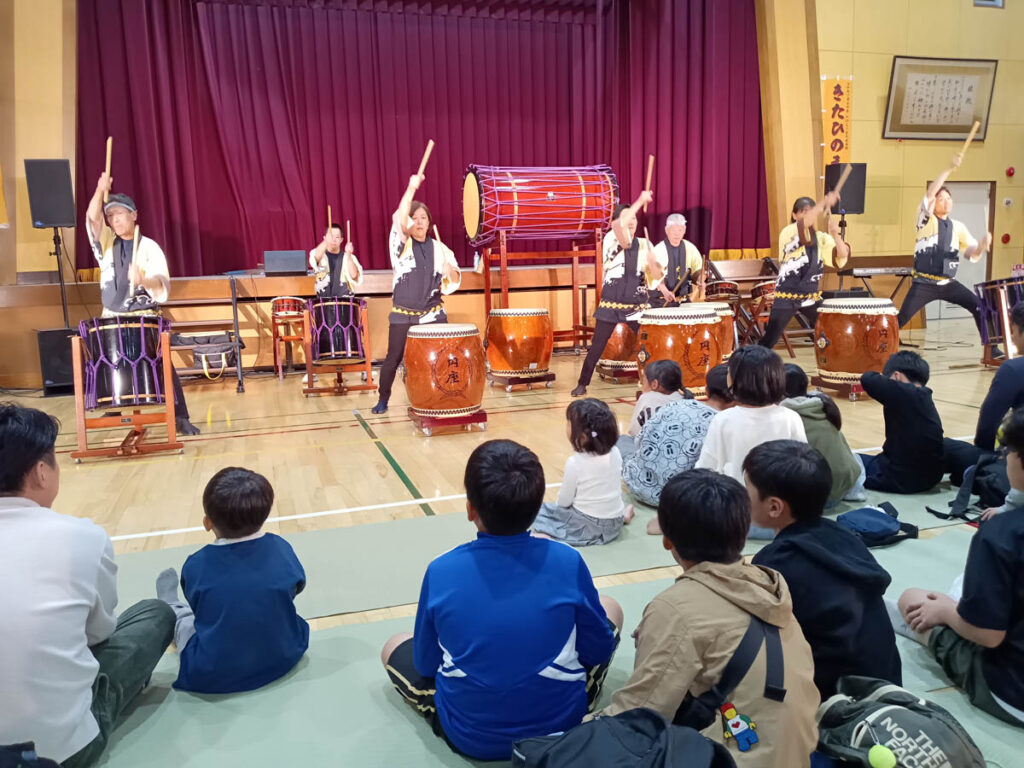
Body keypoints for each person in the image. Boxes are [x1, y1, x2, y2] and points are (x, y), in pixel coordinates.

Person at [380, 440, 622, 760]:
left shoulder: (441, 570)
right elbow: (598, 650)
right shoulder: (567, 561)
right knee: (611, 607)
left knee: (394, 643)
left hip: (471, 737)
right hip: (563, 728)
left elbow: (427, 665)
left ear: (470, 509)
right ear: (537, 509)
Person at [598, 469, 820, 766]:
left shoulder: (675, 609)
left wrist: (571, 735)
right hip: (800, 754)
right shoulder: (769, 587)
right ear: (743, 534)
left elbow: (637, 718)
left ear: (667, 541)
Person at [0, 403, 175, 767]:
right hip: (59, 752)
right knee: (155, 615)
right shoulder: (81, 537)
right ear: (41, 472)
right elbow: (98, 635)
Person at [889, 407, 1024, 726]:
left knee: (914, 598)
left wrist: (947, 612)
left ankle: (920, 622)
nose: (1004, 460)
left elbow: (989, 636)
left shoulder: (1001, 535)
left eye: (1009, 452)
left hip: (1011, 693)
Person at [745, 440, 902, 699]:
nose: (743, 496)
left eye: (747, 489)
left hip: (836, 699)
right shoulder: (845, 535)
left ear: (774, 507)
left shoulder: (775, 563)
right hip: (887, 683)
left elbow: (755, 641)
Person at [154, 467, 308, 694]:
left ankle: (171, 607)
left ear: (207, 523)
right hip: (286, 654)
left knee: (186, 621)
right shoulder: (281, 548)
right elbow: (297, 586)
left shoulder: (197, 564)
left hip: (213, 671)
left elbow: (200, 609)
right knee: (278, 609)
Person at [85, 173, 200, 435]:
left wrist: (144, 279)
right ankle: (113, 405)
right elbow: (92, 219)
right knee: (110, 361)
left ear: (134, 215)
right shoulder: (106, 243)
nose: (115, 220)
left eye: (121, 214)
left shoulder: (149, 248)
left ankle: (179, 416)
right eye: (111, 216)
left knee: (161, 363)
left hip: (143, 316)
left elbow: (162, 286)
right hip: (112, 314)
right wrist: (99, 188)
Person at [371, 173, 461, 414]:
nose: (419, 221)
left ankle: (443, 395)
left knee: (444, 356)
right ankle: (383, 398)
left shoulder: (441, 249)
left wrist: (449, 271)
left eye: (424, 217)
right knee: (393, 358)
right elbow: (400, 220)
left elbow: (453, 284)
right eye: (415, 217)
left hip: (432, 314)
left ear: (430, 222)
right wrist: (411, 188)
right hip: (404, 315)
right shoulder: (401, 245)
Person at [696, 346, 806, 538]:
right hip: (783, 520)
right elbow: (803, 471)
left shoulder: (724, 419)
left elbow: (705, 470)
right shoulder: (791, 417)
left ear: (735, 380)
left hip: (737, 519)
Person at [897, 154, 993, 346]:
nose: (945, 201)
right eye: (941, 198)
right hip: (924, 283)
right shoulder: (925, 220)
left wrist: (981, 246)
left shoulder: (958, 227)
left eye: (948, 198)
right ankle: (880, 349)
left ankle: (992, 348)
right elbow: (930, 194)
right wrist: (949, 169)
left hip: (949, 284)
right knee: (900, 319)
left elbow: (970, 253)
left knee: (980, 307)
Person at [571, 191, 659, 397]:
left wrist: (654, 266)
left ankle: (653, 383)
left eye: (634, 218)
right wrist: (640, 201)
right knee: (597, 346)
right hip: (612, 303)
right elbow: (621, 227)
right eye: (628, 218)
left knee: (649, 344)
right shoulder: (611, 238)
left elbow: (654, 276)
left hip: (637, 304)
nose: (632, 223)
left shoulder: (645, 244)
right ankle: (583, 383)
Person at [625, 364, 729, 532]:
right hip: (678, 498)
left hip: (638, 485)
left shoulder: (677, 405)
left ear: (706, 390)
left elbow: (639, 440)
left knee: (623, 442)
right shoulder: (722, 422)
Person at [533, 398, 634, 546]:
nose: (566, 426)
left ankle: (553, 536)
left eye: (568, 423)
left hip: (589, 525)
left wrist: (560, 511)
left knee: (539, 512)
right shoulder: (616, 452)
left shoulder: (575, 463)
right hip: (614, 519)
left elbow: (564, 502)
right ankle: (623, 517)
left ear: (583, 437)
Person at [759, 194, 849, 350]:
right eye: (803, 211)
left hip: (810, 296)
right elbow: (804, 224)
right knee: (770, 339)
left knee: (831, 326)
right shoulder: (789, 232)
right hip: (787, 295)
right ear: (795, 215)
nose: (808, 214)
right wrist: (823, 203)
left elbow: (842, 255)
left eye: (811, 211)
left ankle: (829, 361)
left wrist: (835, 234)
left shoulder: (821, 238)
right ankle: (749, 364)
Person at [859, 351, 944, 494]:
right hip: (931, 479)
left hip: (899, 479)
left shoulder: (905, 393)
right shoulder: (924, 396)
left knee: (846, 460)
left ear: (897, 376)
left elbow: (867, 378)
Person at [782, 364, 864, 504]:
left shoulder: (783, 414)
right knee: (853, 455)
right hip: (845, 485)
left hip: (816, 497)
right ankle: (855, 492)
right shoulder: (822, 404)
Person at [975, 301, 1024, 451]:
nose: (1013, 337)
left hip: (1019, 461)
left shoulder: (1013, 369)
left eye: (1013, 330)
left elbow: (988, 425)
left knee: (951, 450)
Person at [620, 360, 689, 459]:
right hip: (681, 456)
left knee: (622, 440)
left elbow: (634, 432)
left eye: (643, 380)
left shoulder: (647, 398)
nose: (642, 383)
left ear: (654, 384)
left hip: (651, 457)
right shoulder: (686, 399)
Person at [649, 213, 704, 307]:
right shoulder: (659, 250)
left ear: (684, 230)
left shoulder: (690, 248)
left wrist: (700, 281)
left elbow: (697, 271)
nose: (677, 233)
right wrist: (665, 291)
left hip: (683, 301)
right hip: (661, 301)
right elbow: (654, 276)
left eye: (680, 230)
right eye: (673, 230)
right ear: (666, 230)